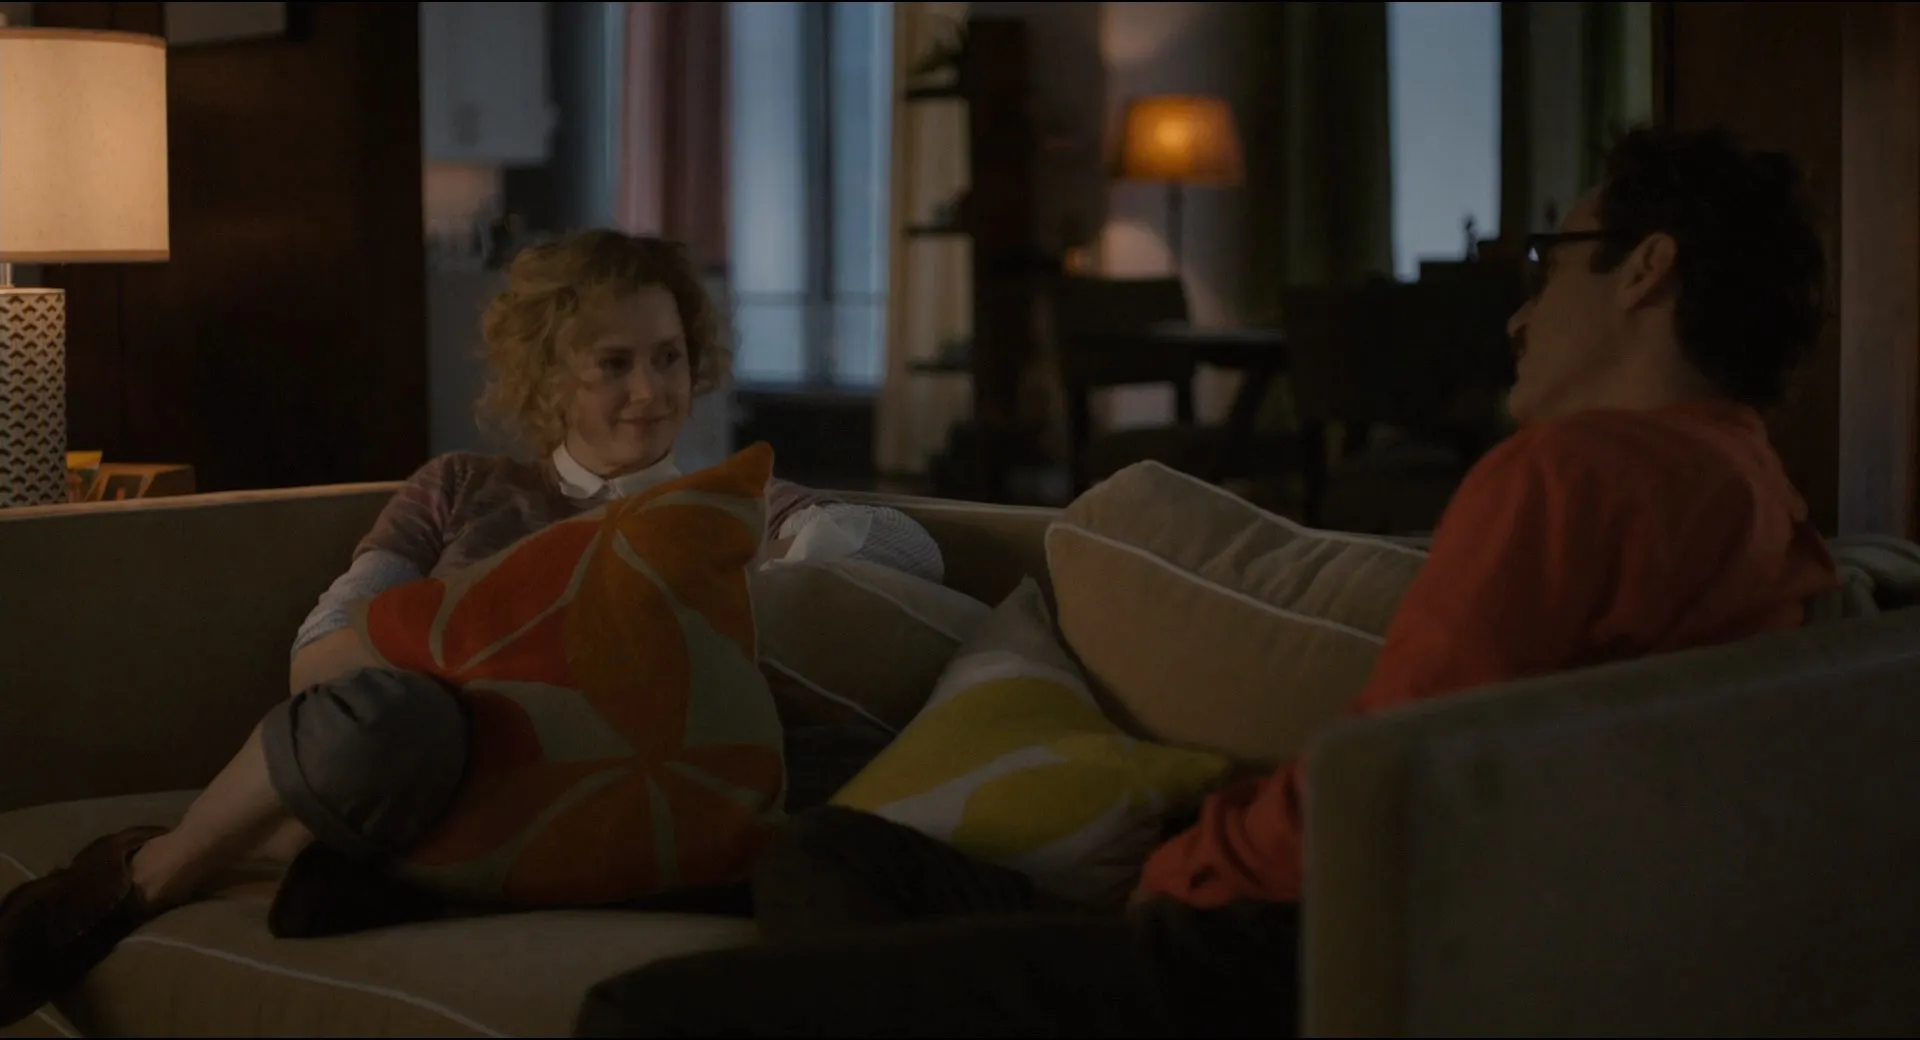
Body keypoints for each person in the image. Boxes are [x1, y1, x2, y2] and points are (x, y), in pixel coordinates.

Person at [569, 125, 1842, 1038]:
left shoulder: (1571, 475)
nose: (1520, 314)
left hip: (1258, 947)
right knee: (830, 852)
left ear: (1645, 268)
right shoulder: (1765, 500)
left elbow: (1393, 785)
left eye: (1549, 262)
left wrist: (1192, 863)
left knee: (639, 1007)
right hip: (1353, 918)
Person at [0, 230, 940, 1026]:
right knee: (381, 718)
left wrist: (770, 551)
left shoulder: (724, 506)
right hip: (454, 757)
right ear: (549, 376)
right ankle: (149, 875)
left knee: (857, 762)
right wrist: (497, 640)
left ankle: (350, 870)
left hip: (640, 783)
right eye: (613, 364)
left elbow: (912, 555)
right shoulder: (463, 487)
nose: (651, 391)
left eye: (669, 357)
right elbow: (323, 652)